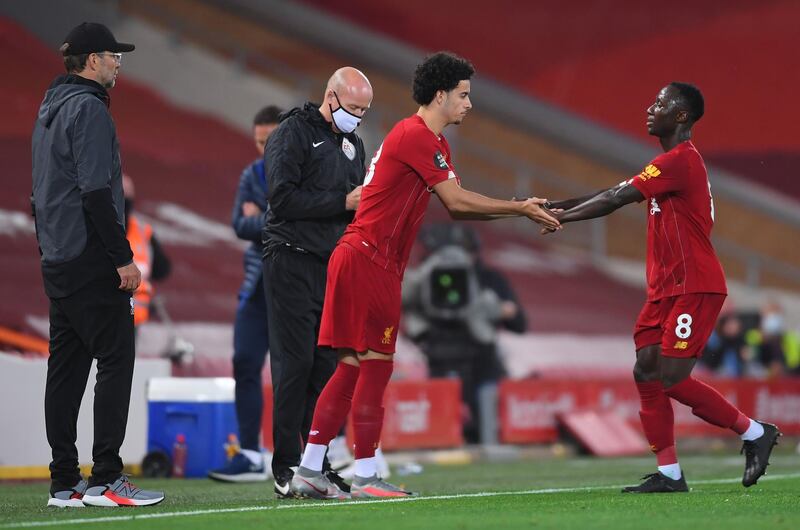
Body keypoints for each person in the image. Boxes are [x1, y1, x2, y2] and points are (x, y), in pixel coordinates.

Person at [290, 51, 559, 500]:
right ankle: (352, 473)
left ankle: (321, 470)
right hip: (366, 258)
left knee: (360, 369)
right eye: (464, 95)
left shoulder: (431, 142)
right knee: (365, 368)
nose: (469, 104)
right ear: (440, 95)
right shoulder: (414, 136)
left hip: (373, 262)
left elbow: (455, 202)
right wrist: (520, 207)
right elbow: (456, 202)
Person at [540, 82, 781, 493]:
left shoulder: (682, 161)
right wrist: (553, 206)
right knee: (646, 370)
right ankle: (669, 473)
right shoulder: (666, 164)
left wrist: (562, 219)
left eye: (662, 104)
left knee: (671, 376)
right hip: (664, 290)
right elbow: (613, 191)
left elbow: (615, 200)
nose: (651, 108)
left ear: (682, 116)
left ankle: (755, 432)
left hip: (694, 285)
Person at [31, 22, 164, 507]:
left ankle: (64, 482)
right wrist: (122, 258)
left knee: (65, 369)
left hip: (58, 258)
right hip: (90, 258)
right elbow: (93, 192)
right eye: (113, 55)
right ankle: (107, 478)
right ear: (92, 60)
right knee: (114, 358)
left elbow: (40, 195)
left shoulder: (48, 110)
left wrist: (52, 248)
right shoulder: (88, 109)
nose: (117, 63)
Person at [262, 69, 369, 497]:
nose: (358, 118)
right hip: (290, 258)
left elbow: (352, 206)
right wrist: (343, 202)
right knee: (295, 366)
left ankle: (315, 463)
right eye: (354, 108)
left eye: (364, 111)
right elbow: (282, 198)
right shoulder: (292, 132)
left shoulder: (353, 144)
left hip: (331, 266)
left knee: (325, 369)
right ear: (331, 97)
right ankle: (287, 465)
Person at [209, 105, 281, 483]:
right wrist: (277, 217)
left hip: (293, 288)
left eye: (269, 141)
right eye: (258, 142)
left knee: (296, 371)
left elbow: (301, 218)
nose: (262, 149)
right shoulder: (251, 174)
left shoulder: (303, 171)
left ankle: (306, 452)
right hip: (256, 286)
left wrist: (263, 214)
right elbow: (240, 224)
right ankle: (251, 452)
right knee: (245, 363)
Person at [405, 223, 526, 442]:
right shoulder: (424, 279)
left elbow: (519, 323)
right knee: (439, 424)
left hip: (481, 361)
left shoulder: (489, 279)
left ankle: (488, 440)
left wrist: (497, 310)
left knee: (485, 405)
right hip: (440, 357)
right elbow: (402, 302)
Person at [122, 174, 171, 331]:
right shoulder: (143, 233)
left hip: (133, 315)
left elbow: (162, 268)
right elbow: (162, 270)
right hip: (117, 314)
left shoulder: (143, 232)